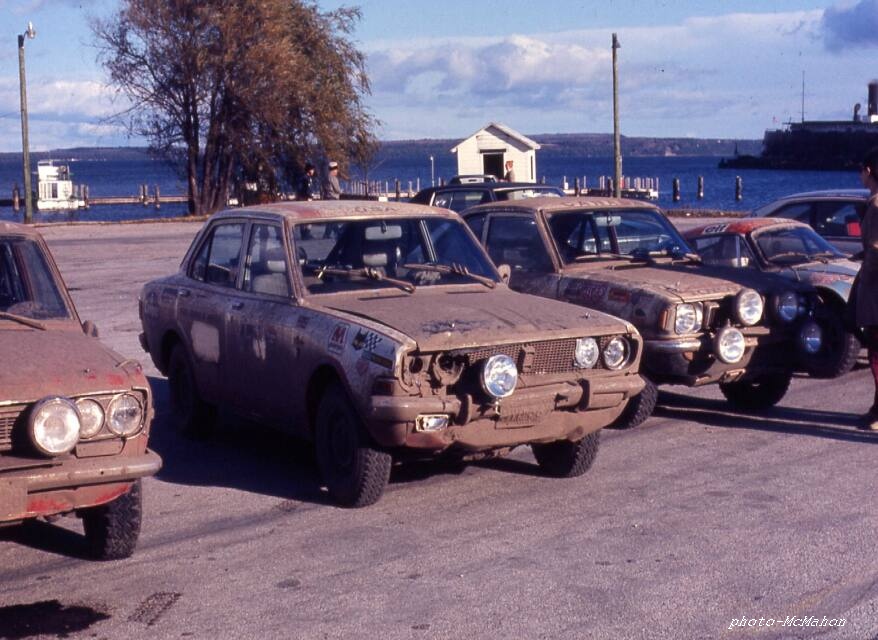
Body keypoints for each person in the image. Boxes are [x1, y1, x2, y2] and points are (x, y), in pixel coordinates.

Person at [853, 146, 878, 429]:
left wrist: (866, 272)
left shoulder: (875, 204)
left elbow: (875, 249)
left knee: (876, 354)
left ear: (869, 171)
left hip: (876, 290)